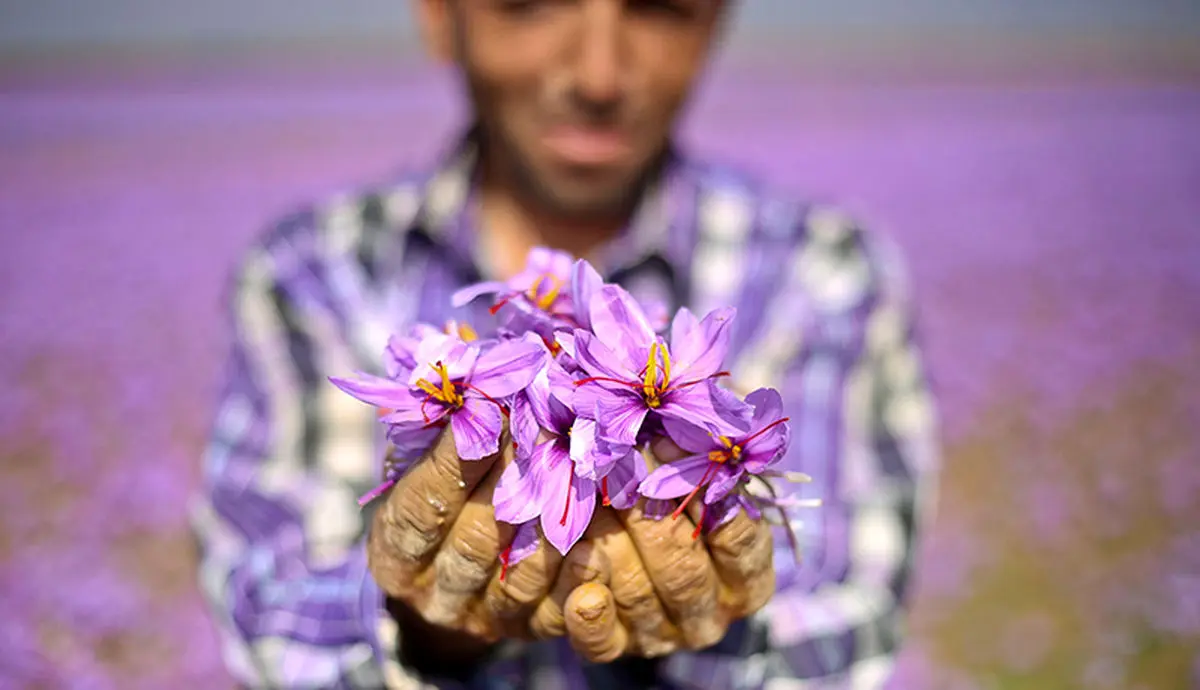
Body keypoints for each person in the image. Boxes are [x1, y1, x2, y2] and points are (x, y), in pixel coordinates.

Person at [192, 1, 939, 688]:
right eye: (533, 0)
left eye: (657, 5)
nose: (598, 75)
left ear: (714, 19)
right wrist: (419, 623)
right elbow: (273, 615)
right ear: (436, 14)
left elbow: (850, 623)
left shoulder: (823, 276)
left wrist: (723, 638)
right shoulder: (314, 274)